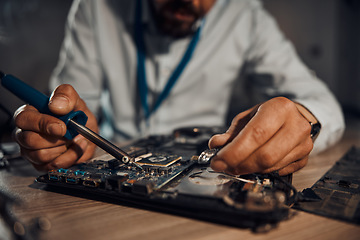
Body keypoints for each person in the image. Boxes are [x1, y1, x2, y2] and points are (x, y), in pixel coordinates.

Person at [14, 0, 345, 176]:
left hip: (202, 170)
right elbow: (74, 107)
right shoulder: (95, 7)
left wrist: (302, 121)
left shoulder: (245, 16)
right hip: (110, 164)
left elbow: (321, 102)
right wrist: (65, 135)